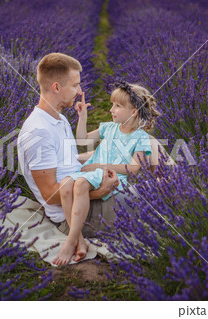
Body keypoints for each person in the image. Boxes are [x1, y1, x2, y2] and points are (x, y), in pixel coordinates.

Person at [17, 53, 121, 262]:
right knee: (153, 205)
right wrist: (99, 193)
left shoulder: (60, 119)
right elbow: (49, 193)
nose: (80, 92)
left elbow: (69, 161)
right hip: (74, 216)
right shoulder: (38, 132)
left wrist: (103, 157)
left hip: (84, 191)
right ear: (56, 87)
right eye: (75, 86)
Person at [53, 80, 161, 265]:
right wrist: (82, 117)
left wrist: (101, 166)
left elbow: (134, 169)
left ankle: (71, 241)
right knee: (67, 185)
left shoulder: (140, 137)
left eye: (117, 106)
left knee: (79, 184)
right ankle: (78, 238)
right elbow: (82, 140)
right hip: (92, 172)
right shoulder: (108, 128)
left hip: (114, 178)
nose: (111, 109)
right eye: (112, 104)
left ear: (133, 111)